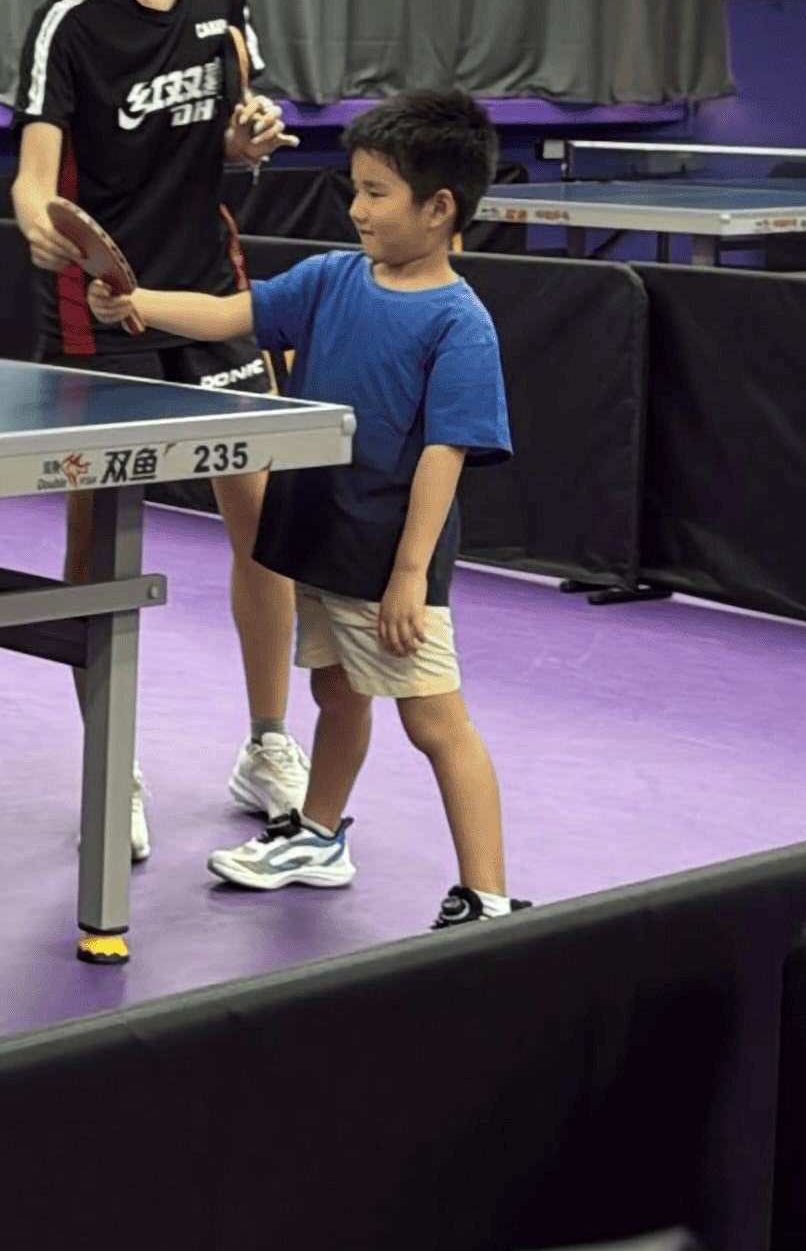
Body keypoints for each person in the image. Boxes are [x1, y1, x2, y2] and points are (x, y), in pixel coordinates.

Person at [89, 88, 523, 926]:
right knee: (335, 690)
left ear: (438, 208)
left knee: (435, 723)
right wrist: (137, 304)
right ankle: (318, 836)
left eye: (376, 193)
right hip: (318, 534)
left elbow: (444, 455)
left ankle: (488, 897)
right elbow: (229, 312)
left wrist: (408, 577)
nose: (356, 208)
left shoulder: (458, 322)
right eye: (355, 188)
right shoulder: (330, 280)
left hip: (385, 553)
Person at [11, 0, 308, 862]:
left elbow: (227, 132)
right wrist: (38, 225)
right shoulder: (70, 23)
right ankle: (112, 762)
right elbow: (34, 175)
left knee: (264, 523)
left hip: (209, 291)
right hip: (104, 306)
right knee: (99, 539)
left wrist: (248, 137)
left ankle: (268, 743)